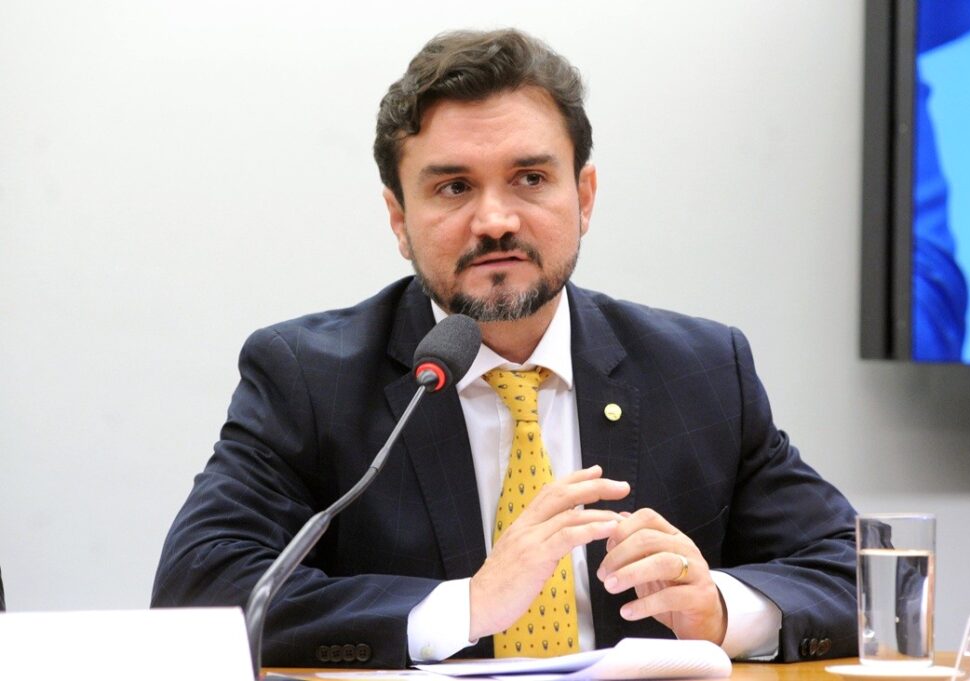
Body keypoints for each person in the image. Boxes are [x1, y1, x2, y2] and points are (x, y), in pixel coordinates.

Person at [152, 28, 857, 668]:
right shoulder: (309, 378)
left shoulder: (699, 370)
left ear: (584, 196)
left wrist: (721, 610)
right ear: (399, 218)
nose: (494, 220)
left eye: (530, 179)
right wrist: (464, 607)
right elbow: (200, 590)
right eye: (454, 187)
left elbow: (858, 570)